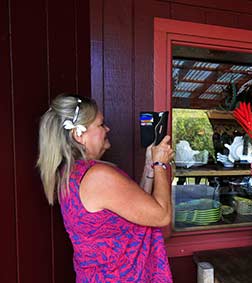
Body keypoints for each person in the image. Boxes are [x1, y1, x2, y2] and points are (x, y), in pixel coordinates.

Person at [36, 93, 174, 282]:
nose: (107, 129)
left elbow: (137, 210)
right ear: (79, 134)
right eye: (101, 124)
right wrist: (160, 165)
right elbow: (161, 215)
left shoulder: (71, 173)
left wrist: (150, 164)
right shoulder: (97, 177)